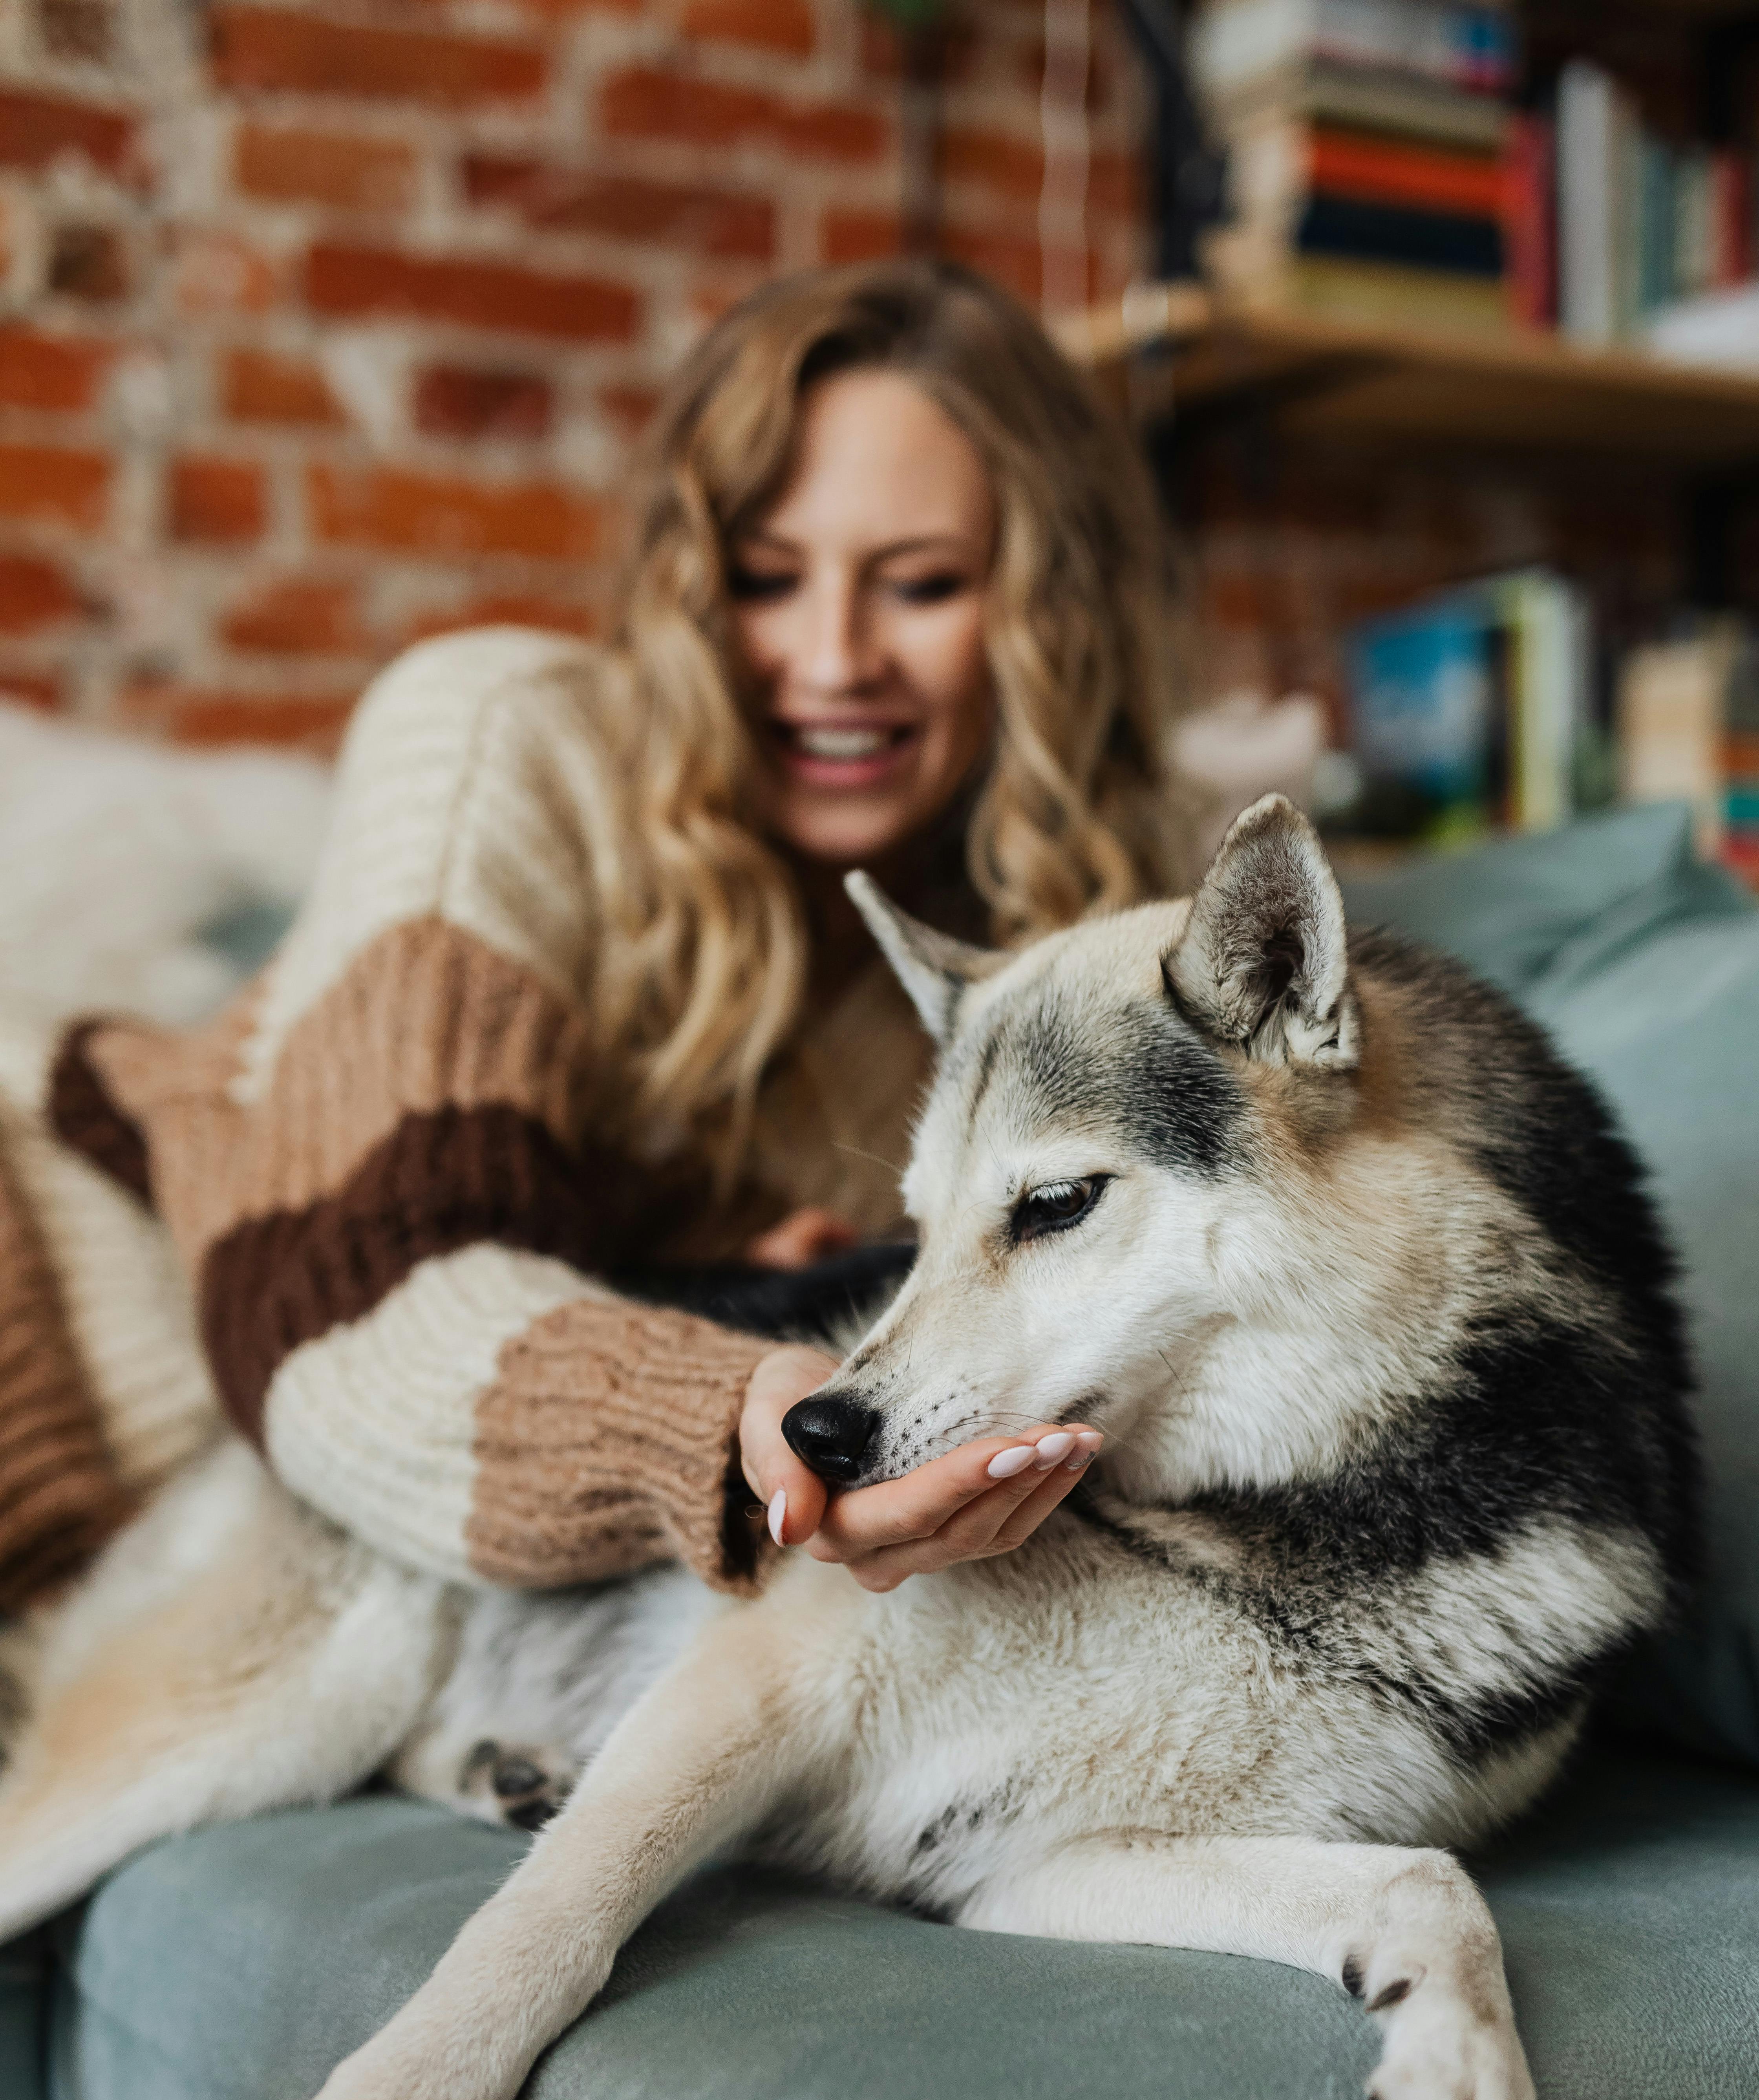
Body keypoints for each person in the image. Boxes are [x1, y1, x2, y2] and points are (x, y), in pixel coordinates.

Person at [0, 260, 1191, 1648]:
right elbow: (352, 1302)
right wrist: (718, 1412)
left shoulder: (1072, 950)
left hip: (234, 1540)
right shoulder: (501, 741)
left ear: (1047, 613)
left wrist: (697, 1274)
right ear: (690, 592)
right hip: (66, 1284)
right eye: (763, 579)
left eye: (921, 585)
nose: (830, 657)